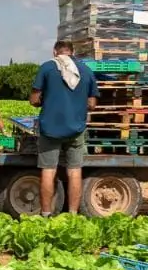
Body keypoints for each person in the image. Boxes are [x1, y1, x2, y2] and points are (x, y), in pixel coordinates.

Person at [29, 41, 99, 216]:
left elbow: (34, 100)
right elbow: (92, 104)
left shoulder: (46, 68)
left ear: (55, 52)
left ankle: (46, 214)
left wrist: (48, 99)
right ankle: (73, 214)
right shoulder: (86, 70)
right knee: (75, 171)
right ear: (73, 52)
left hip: (50, 129)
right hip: (76, 129)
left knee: (48, 170)